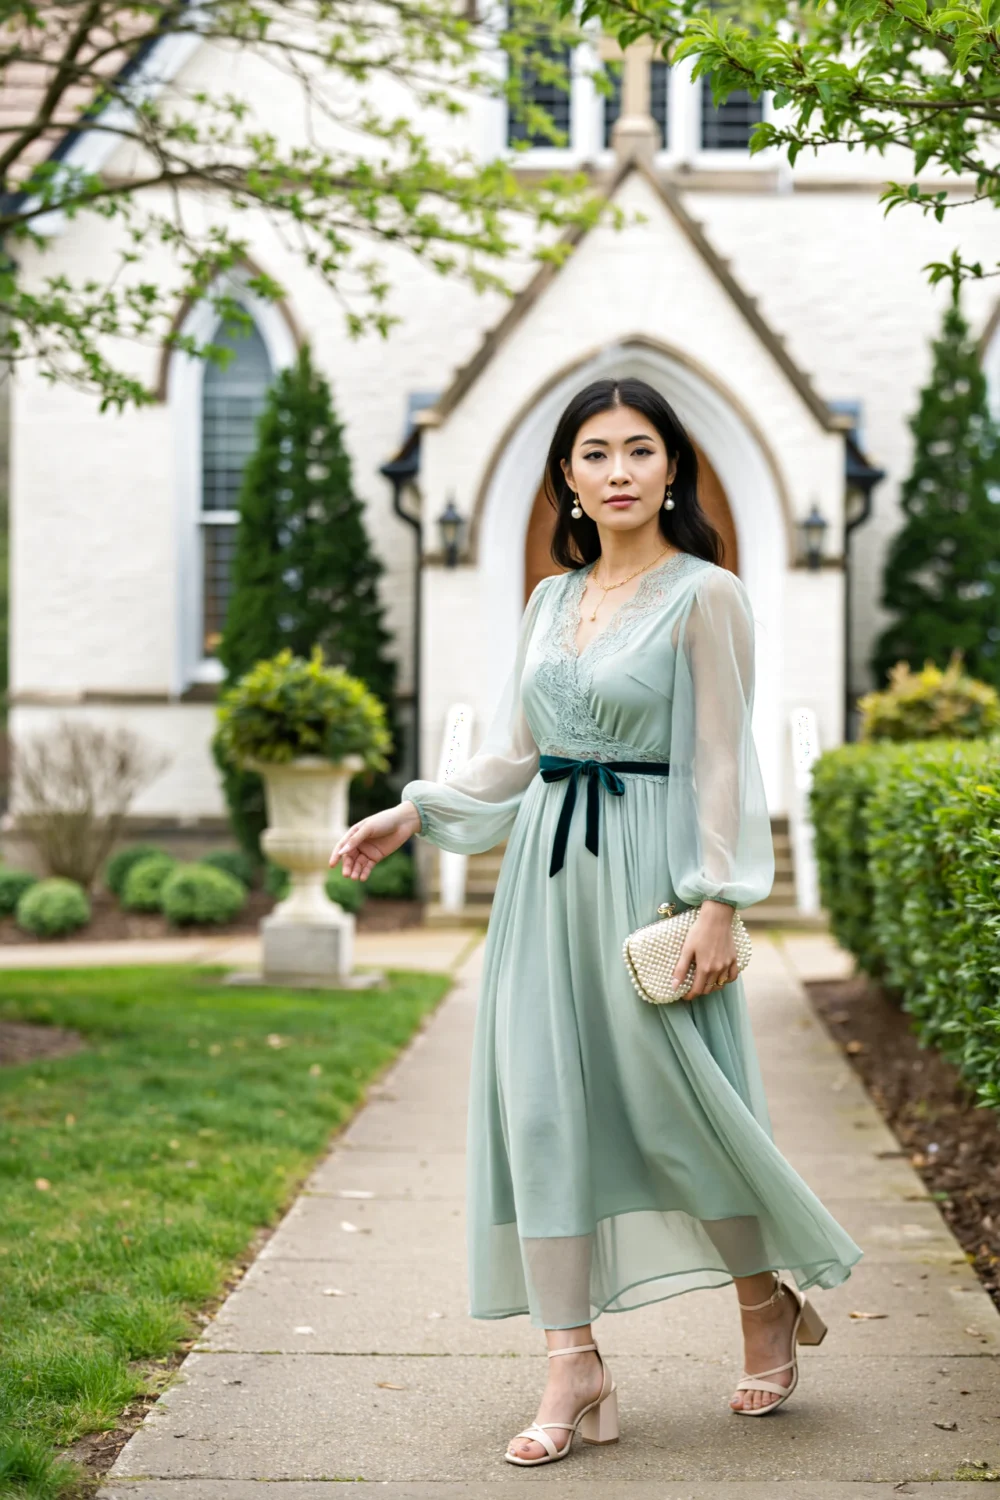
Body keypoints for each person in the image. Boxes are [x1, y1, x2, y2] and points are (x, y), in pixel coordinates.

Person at [328, 377, 863, 1467]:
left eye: (638, 451)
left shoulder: (707, 594)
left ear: (673, 469)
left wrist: (720, 898)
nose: (617, 472)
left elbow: (722, 759)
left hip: (649, 886)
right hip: (543, 886)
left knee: (677, 1117)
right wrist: (412, 812)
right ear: (564, 478)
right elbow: (517, 757)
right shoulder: (544, 601)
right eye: (593, 454)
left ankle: (763, 1303)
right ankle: (572, 1362)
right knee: (541, 1117)